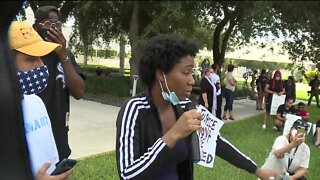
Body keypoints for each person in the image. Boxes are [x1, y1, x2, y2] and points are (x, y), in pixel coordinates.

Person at [115, 34, 278, 180]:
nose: (192, 80)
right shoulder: (134, 109)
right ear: (160, 74)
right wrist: (173, 134)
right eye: (186, 73)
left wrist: (257, 170)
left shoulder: (186, 107)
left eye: (192, 73)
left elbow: (216, 142)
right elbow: (128, 174)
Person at [9, 21, 72, 179]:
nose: (41, 65)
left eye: (40, 58)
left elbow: (50, 161)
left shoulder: (36, 103)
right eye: (31, 59)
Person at [33, 6, 86, 161]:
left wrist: (63, 55)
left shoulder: (65, 54)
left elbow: (79, 92)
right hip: (35, 131)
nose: (53, 29)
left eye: (57, 25)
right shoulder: (29, 54)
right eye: (48, 24)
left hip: (59, 132)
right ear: (36, 27)